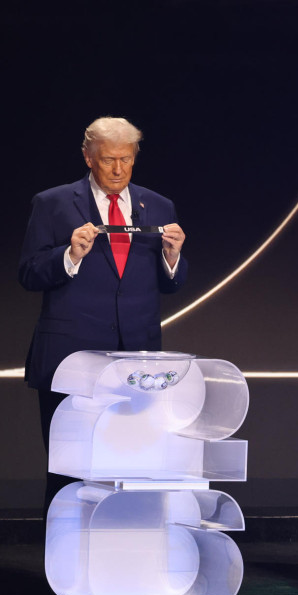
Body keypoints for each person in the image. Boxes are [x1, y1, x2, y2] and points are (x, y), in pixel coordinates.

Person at [18, 116, 187, 513]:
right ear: (88, 157)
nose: (117, 169)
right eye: (109, 159)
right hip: (71, 360)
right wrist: (69, 255)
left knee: (133, 467)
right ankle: (65, 565)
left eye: (126, 159)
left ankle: (127, 557)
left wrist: (172, 256)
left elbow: (169, 284)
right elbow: (28, 273)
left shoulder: (158, 206)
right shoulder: (53, 203)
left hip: (136, 362)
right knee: (69, 471)